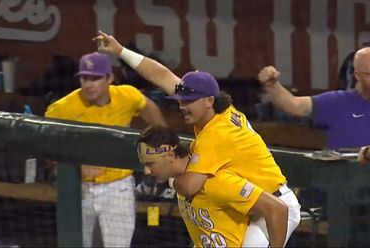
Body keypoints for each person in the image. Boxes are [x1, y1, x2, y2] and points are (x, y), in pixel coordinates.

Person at [93, 31, 301, 247]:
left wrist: (170, 177)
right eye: (181, 101)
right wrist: (121, 52)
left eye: (189, 101)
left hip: (273, 208)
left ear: (209, 100)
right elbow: (162, 75)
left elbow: (190, 186)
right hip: (246, 203)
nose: (182, 106)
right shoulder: (221, 108)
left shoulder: (215, 134)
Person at [44, 52, 166, 247]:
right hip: (79, 188)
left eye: (96, 78)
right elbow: (44, 146)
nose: (89, 84)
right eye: (85, 78)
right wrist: (75, 166)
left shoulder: (126, 96)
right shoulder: (63, 108)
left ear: (109, 78)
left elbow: (148, 107)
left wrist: (161, 144)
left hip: (118, 187)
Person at [137, 125, 289, 247]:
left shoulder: (216, 181)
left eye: (150, 164)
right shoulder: (179, 183)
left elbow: (278, 208)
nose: (147, 171)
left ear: (170, 156)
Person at [257, 47, 370, 150]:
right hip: (343, 171)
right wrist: (272, 85)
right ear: (357, 75)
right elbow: (293, 106)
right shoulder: (338, 102)